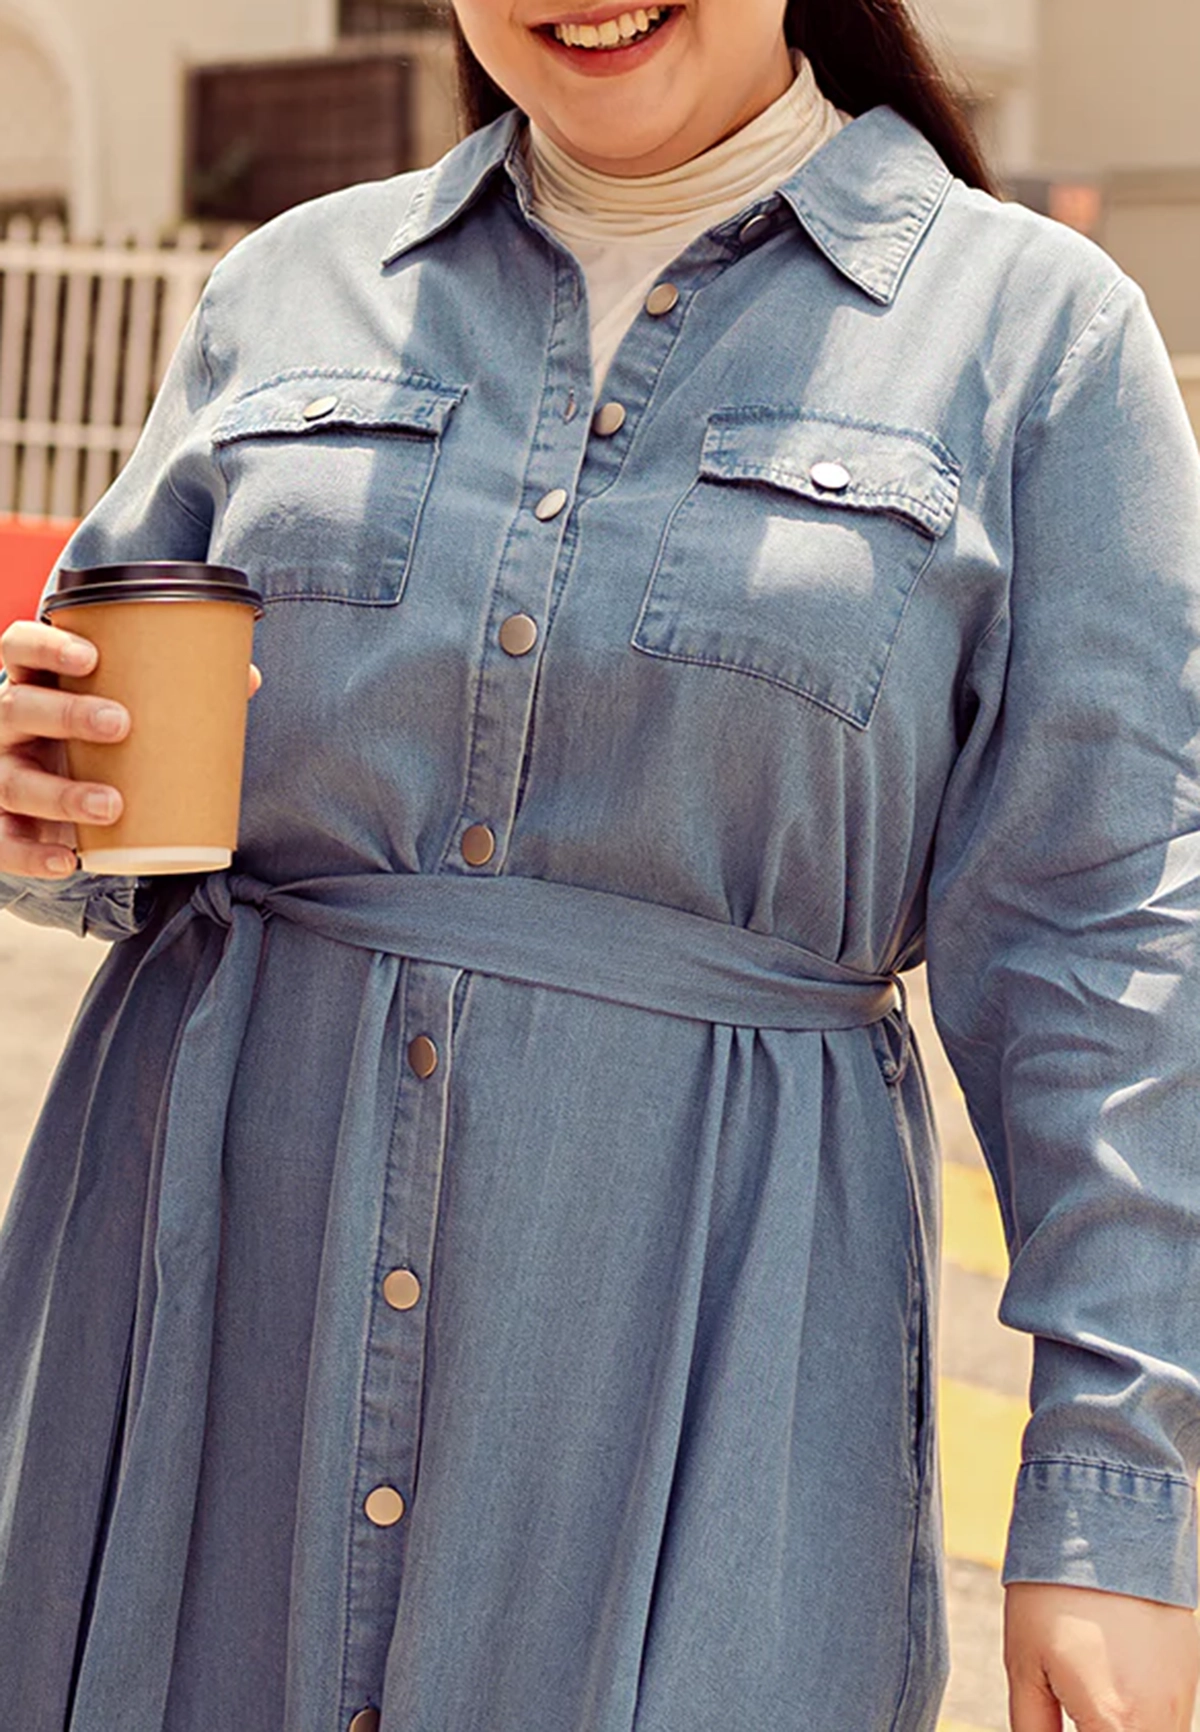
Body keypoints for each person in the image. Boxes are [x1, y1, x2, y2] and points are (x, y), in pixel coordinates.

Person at [1, 0, 1198, 1726]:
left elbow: (1110, 938)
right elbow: (121, 770)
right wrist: (48, 799)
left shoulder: (1033, 336)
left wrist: (1111, 1499)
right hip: (205, 1324)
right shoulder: (288, 287)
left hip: (709, 1346)